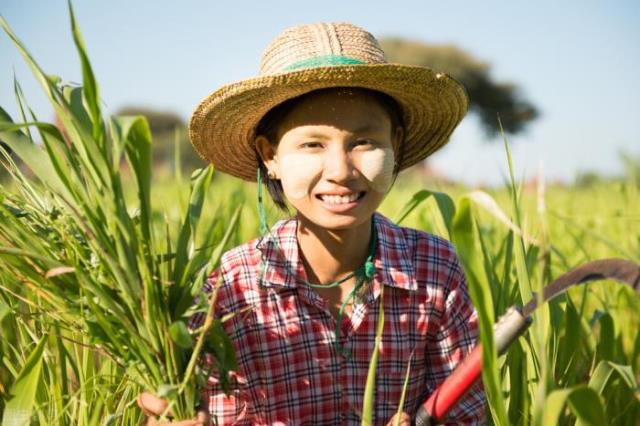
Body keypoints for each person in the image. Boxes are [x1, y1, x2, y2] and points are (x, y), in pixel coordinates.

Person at [138, 22, 485, 425]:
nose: (340, 170)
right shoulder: (232, 289)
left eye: (364, 142)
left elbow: (466, 414)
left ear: (397, 144)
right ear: (270, 156)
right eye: (312, 144)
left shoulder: (435, 271)